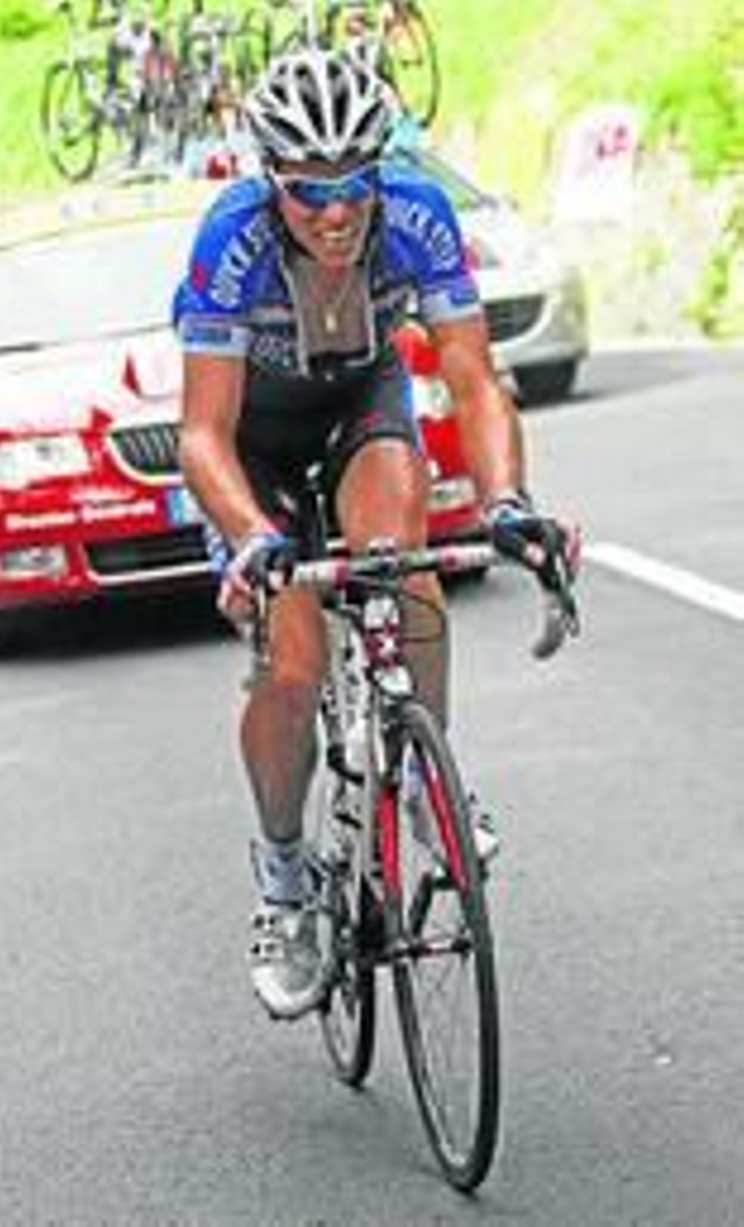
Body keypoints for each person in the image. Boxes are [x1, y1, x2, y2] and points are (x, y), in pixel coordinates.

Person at [172, 49, 576, 1020]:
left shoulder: (419, 214)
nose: (337, 210)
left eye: (355, 181)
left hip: (361, 400)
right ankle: (283, 880)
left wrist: (508, 501)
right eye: (310, 190)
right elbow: (201, 434)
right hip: (253, 441)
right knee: (294, 667)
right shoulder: (232, 237)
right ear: (271, 179)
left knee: (403, 566)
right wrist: (253, 539)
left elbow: (474, 378)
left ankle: (427, 781)